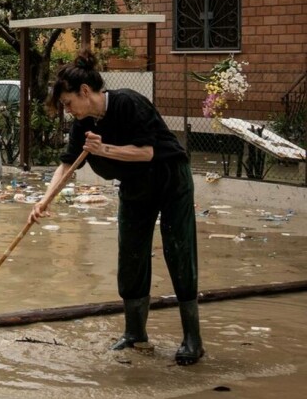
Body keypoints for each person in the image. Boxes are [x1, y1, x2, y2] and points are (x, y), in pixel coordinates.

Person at [28, 49, 204, 366]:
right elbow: (67, 164)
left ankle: (192, 338)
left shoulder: (128, 103)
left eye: (68, 103)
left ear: (84, 91)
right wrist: (44, 199)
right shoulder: (82, 125)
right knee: (131, 252)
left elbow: (147, 153)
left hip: (169, 178)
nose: (69, 112)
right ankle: (135, 333)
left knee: (178, 251)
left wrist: (103, 148)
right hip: (135, 186)